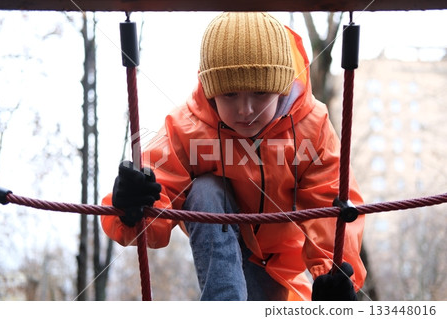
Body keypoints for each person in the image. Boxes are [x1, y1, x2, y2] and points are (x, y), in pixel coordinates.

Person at [101, 12, 366, 301]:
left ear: (282, 86)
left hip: (280, 273)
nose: (245, 110)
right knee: (205, 189)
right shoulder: (189, 127)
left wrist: (332, 273)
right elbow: (155, 185)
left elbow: (329, 200)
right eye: (229, 95)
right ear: (211, 91)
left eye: (260, 93)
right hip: (221, 256)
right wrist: (130, 206)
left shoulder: (310, 126)